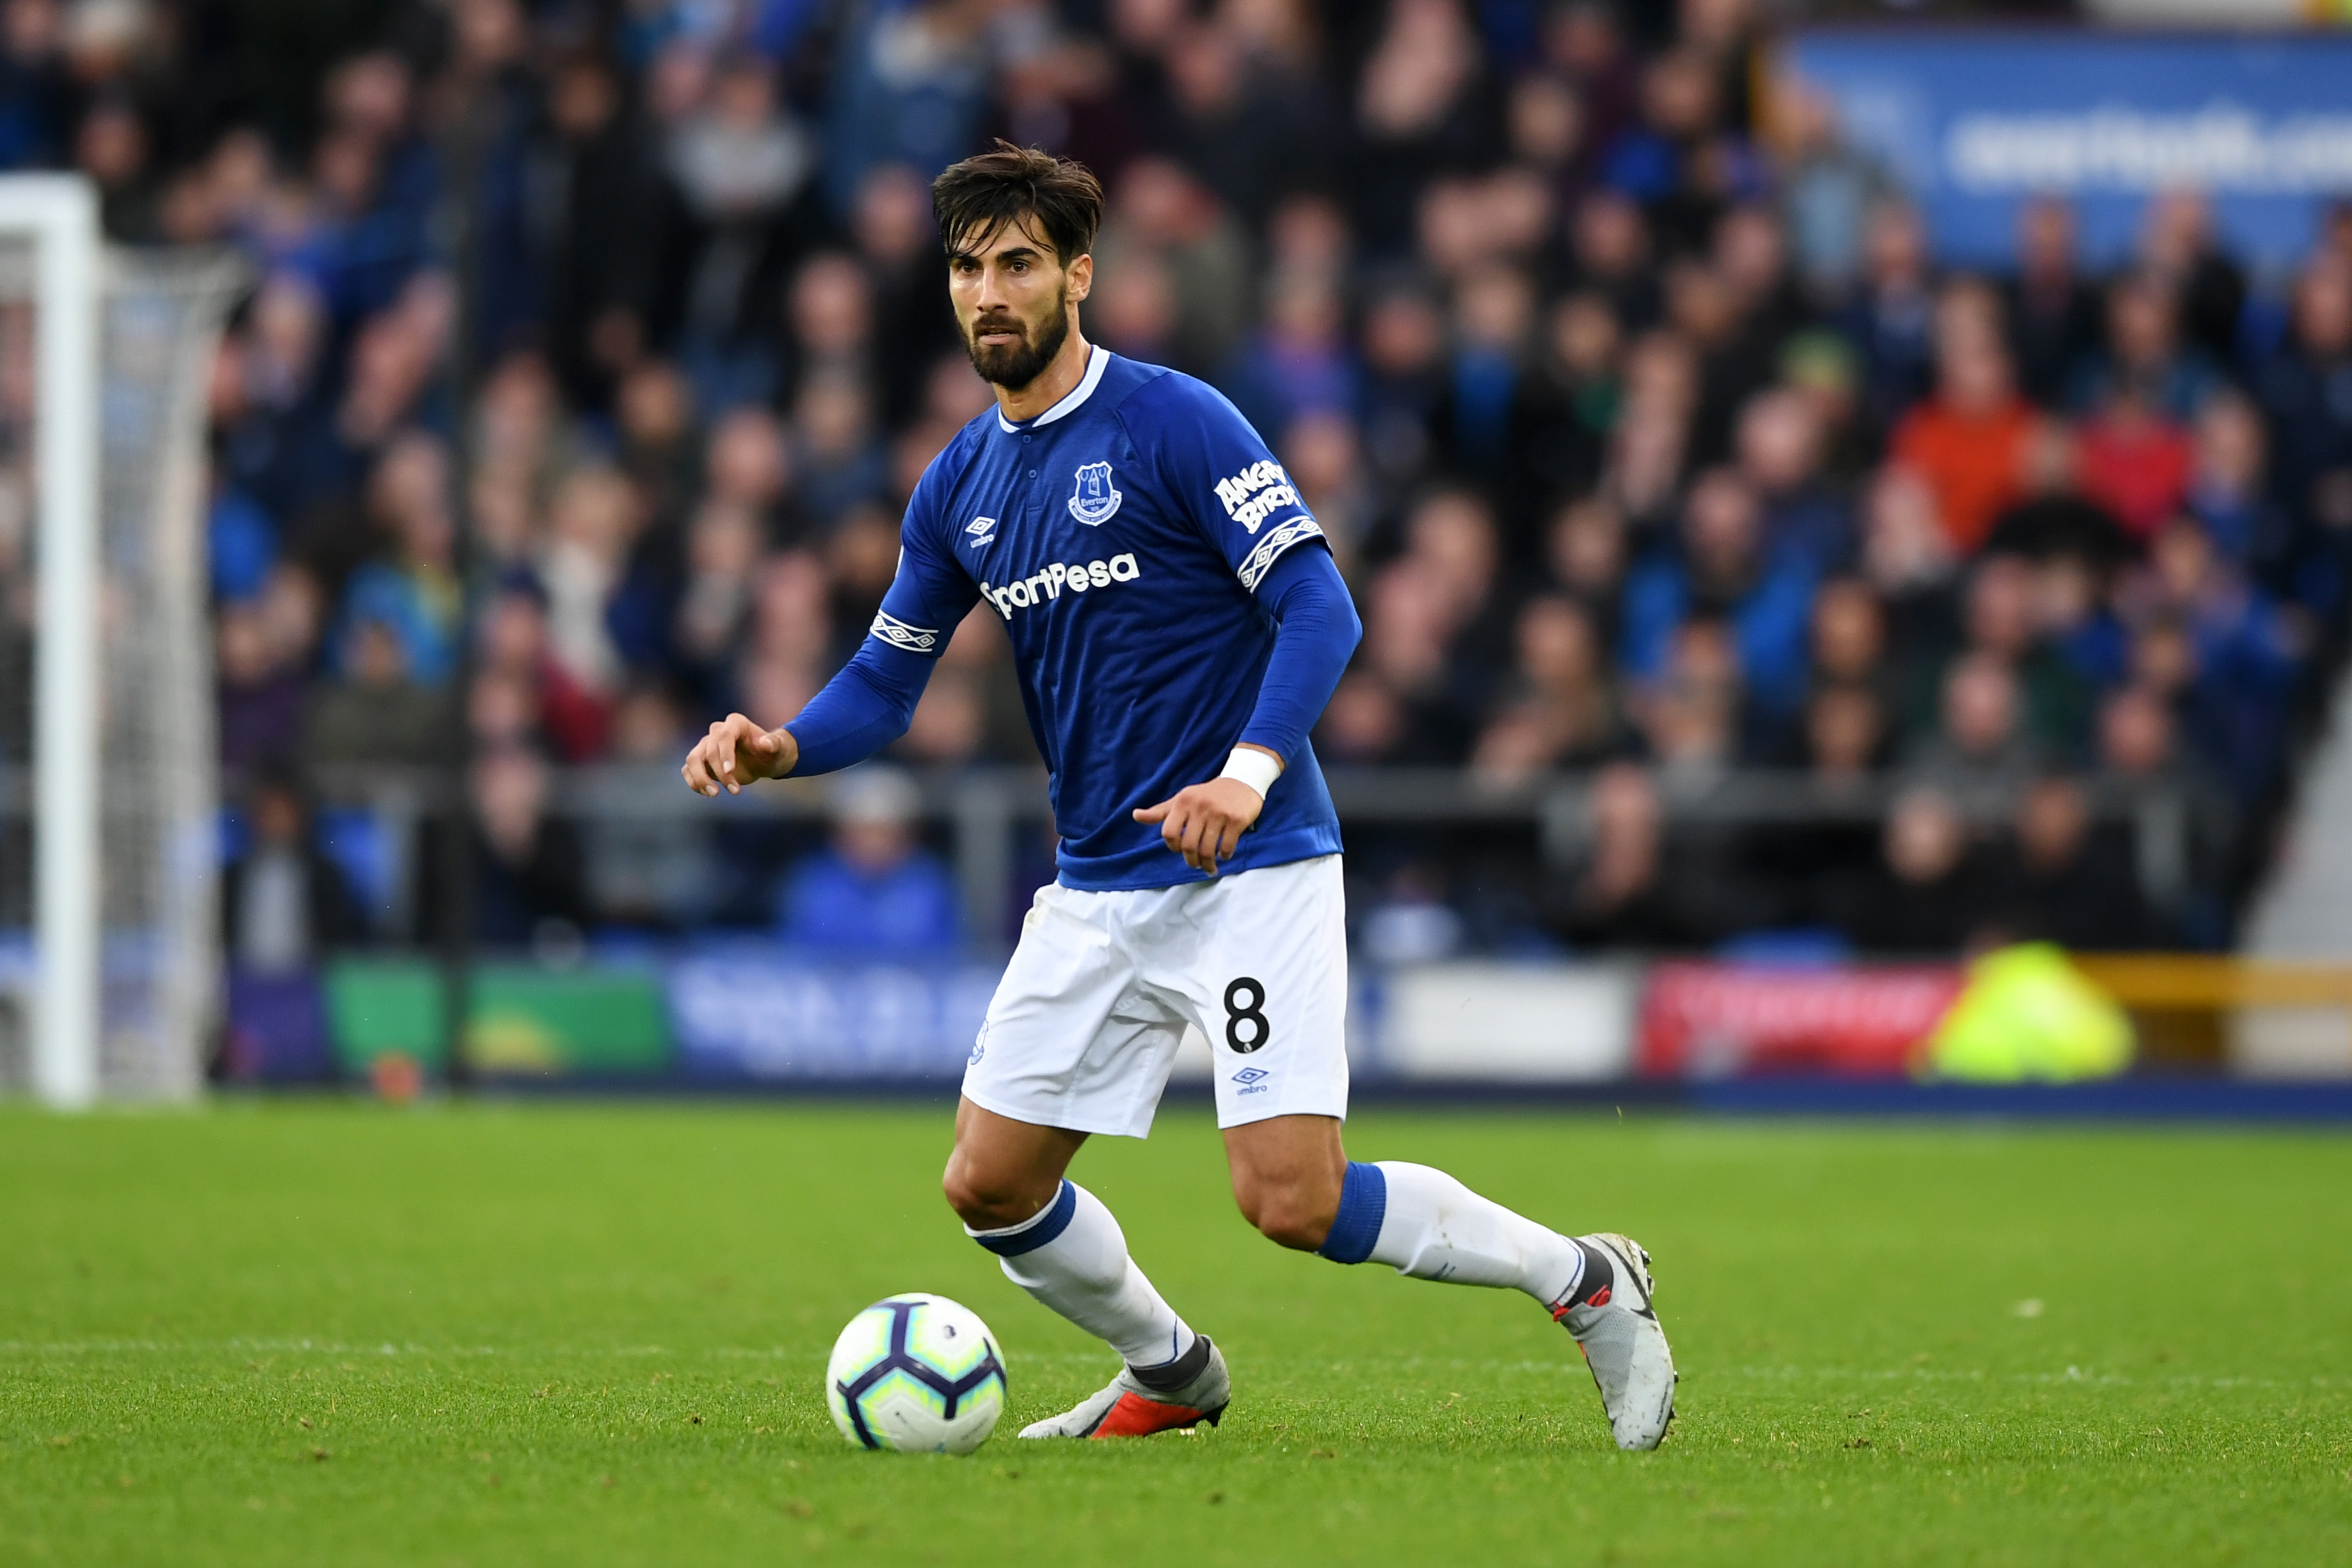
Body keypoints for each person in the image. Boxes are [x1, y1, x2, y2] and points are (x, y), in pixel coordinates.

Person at [681, 144, 1674, 1451]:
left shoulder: (1172, 420)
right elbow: (886, 681)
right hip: (1099, 883)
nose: (990, 292)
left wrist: (1247, 775)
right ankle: (1170, 1368)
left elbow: (1320, 604)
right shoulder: (959, 487)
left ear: (1078, 275)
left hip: (1250, 867)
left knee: (1291, 1201)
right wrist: (785, 748)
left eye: (1019, 264)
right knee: (988, 1182)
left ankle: (1586, 1284)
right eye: (969, 267)